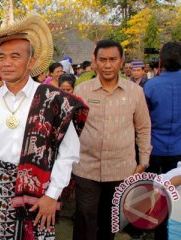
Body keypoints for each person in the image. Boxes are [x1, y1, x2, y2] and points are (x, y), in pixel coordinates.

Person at [0, 14, 89, 239]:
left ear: (31, 62)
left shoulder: (53, 100)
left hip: (41, 192)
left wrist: (53, 195)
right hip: (1, 188)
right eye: (2, 57)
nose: (6, 63)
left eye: (15, 56)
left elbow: (69, 154)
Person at [72, 39, 152, 240]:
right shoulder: (82, 90)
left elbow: (143, 127)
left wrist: (143, 161)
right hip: (86, 168)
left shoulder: (135, 92)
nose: (108, 65)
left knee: (109, 222)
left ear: (121, 61)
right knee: (84, 217)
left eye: (113, 59)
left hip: (121, 169)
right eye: (103, 59)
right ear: (95, 61)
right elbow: (72, 127)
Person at [143, 41, 181, 240]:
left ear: (161, 61)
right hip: (178, 150)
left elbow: (143, 119)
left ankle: (158, 232)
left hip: (155, 149)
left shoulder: (151, 85)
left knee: (157, 195)